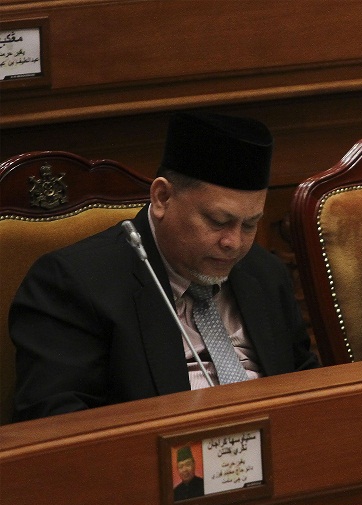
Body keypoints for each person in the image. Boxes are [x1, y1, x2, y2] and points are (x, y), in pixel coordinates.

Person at [10, 111, 320, 422]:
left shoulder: (264, 273)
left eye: (250, 225)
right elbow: (59, 425)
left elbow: (306, 387)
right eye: (218, 222)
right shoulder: (73, 283)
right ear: (162, 198)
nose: (234, 243)